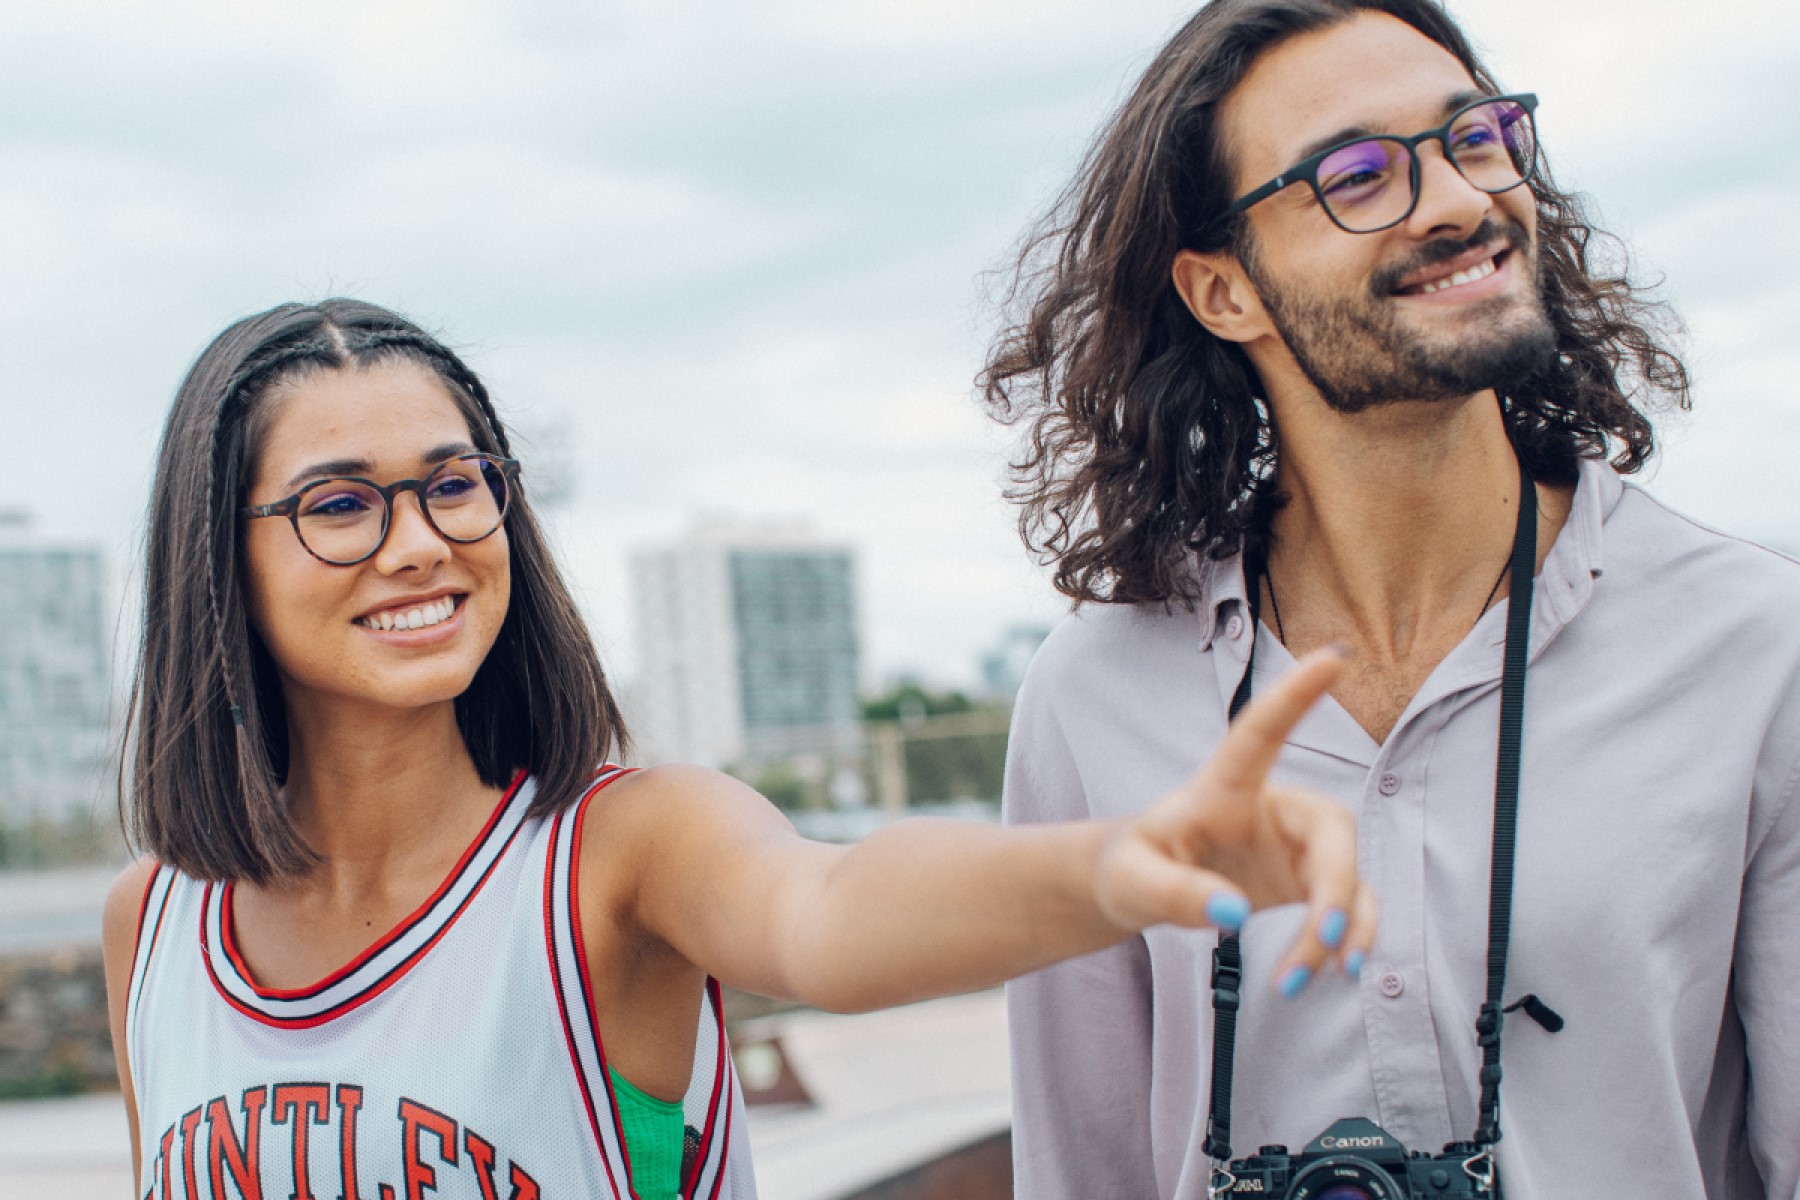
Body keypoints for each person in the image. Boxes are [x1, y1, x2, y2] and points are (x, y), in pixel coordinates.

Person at [100, 298, 1375, 1200]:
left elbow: (831, 907)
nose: (421, 539)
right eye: (338, 504)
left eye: (455, 481)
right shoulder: (151, 928)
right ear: (221, 559)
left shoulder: (617, 857)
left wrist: (1108, 868)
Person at [983, 1, 1800, 1196]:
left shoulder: (1756, 645)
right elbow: (1082, 1172)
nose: (1461, 200)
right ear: (1223, 292)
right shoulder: (1093, 699)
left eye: (1476, 138)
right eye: (1357, 175)